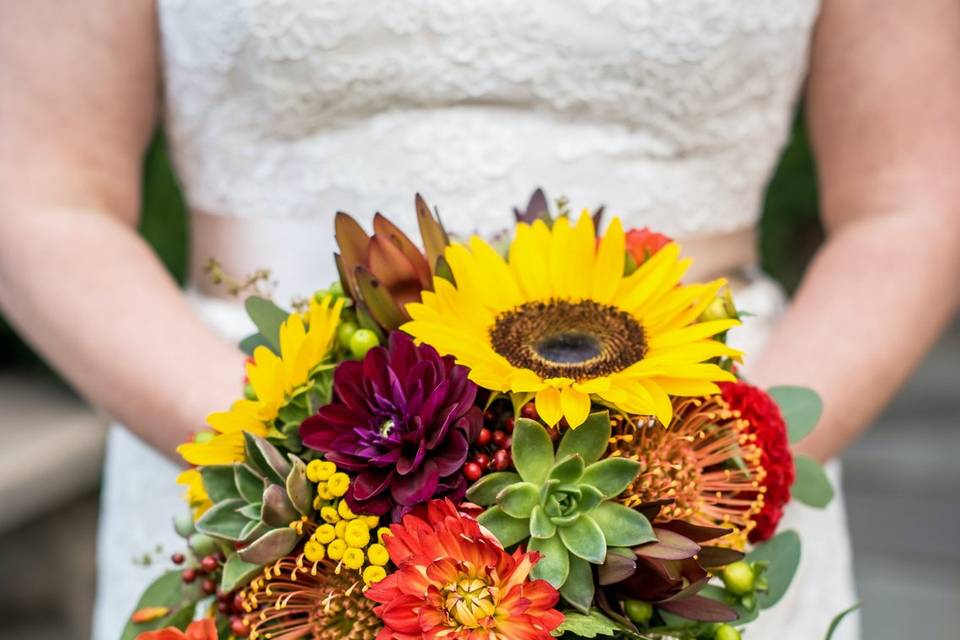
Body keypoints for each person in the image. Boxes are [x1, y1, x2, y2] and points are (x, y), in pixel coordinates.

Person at [1, 1, 958, 639]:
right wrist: (303, 486)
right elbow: (38, 195)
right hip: (244, 468)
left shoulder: (700, 495)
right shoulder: (275, 476)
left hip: (694, 498)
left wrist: (707, 487)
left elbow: (912, 203)